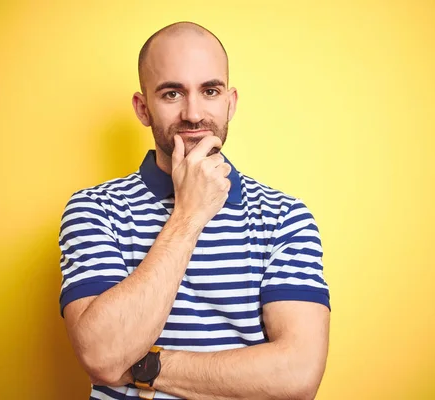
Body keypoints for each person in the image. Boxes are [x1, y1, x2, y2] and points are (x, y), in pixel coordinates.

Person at [59, 21, 330, 400]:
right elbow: (103, 356)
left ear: (230, 102)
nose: (193, 113)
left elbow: (298, 375)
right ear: (142, 108)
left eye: (210, 90)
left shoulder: (285, 217)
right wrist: (188, 215)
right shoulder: (95, 209)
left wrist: (145, 365)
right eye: (172, 94)